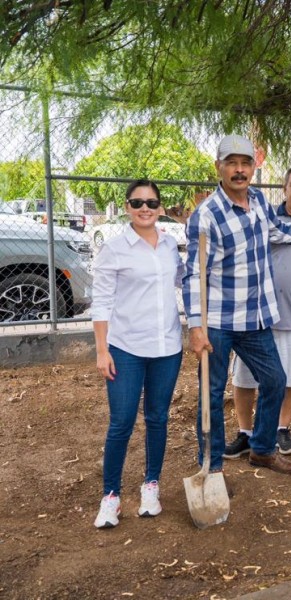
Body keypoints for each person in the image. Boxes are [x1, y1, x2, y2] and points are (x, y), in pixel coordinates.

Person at [183, 134, 291, 479]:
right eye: (231, 163)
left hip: (255, 318)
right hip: (218, 321)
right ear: (218, 167)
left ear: (254, 166)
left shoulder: (259, 201)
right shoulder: (206, 216)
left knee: (275, 379)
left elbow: (279, 230)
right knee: (211, 390)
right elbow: (193, 276)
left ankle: (262, 449)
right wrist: (195, 326)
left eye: (245, 163)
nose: (239, 170)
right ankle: (212, 466)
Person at [92, 180, 184, 528]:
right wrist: (102, 350)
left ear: (160, 206)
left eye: (151, 202)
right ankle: (111, 497)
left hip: (167, 347)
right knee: (122, 422)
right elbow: (101, 302)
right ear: (127, 206)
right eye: (137, 202)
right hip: (126, 348)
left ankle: (151, 486)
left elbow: (182, 282)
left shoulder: (170, 245)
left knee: (158, 418)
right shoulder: (115, 249)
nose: (144, 208)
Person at [223, 165, 291, 459]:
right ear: (285, 189)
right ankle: (245, 433)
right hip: (255, 318)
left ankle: (281, 429)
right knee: (244, 379)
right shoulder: (263, 219)